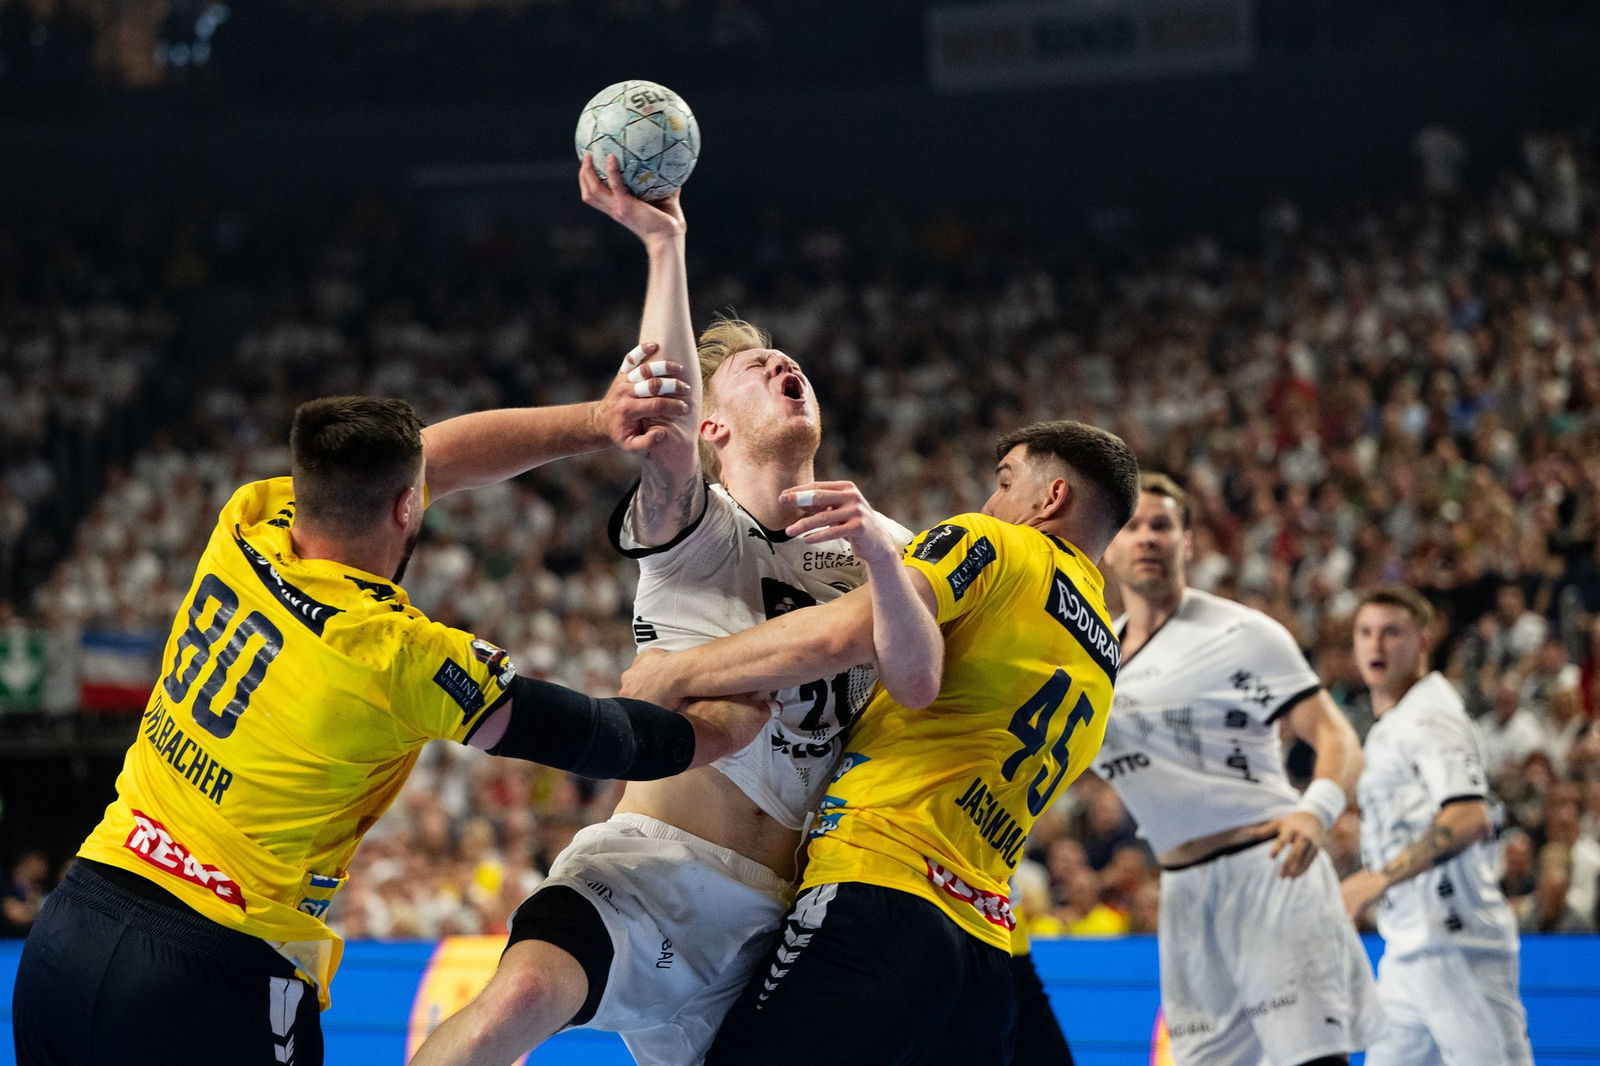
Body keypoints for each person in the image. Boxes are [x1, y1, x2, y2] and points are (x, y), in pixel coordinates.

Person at [11, 386, 768, 1066]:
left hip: (73, 928)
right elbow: (603, 740)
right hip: (209, 968)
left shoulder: (249, 523)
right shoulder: (396, 653)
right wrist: (728, 726)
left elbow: (426, 458)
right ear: (408, 507)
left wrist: (600, 420)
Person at [413, 155, 934, 1066]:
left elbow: (919, 682)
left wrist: (889, 571)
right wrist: (666, 244)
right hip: (657, 868)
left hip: (790, 918)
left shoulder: (880, 540)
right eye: (752, 367)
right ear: (713, 429)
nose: (783, 362)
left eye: (787, 359)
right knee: (523, 995)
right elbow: (659, 418)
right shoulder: (698, 529)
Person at [618, 419, 1138, 1064]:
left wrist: (677, 671)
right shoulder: (1104, 653)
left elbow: (845, 633)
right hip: (984, 956)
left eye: (1004, 484)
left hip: (882, 895)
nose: (988, 503)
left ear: (1050, 499)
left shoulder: (998, 544)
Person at [1094, 473, 1383, 1066]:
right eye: (1132, 526)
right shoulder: (1092, 656)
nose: (1147, 537)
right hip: (1183, 894)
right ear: (1108, 546)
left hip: (1271, 873)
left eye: (1162, 524)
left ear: (1188, 542)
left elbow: (1336, 734)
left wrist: (1317, 810)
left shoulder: (1241, 632)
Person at [1341, 587, 1533, 1065]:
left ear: (1423, 641)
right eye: (1366, 632)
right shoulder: (1394, 720)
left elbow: (1468, 815)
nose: (1376, 645)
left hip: (1458, 947)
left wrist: (1378, 879)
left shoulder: (1428, 714)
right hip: (1408, 948)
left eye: (1392, 632)